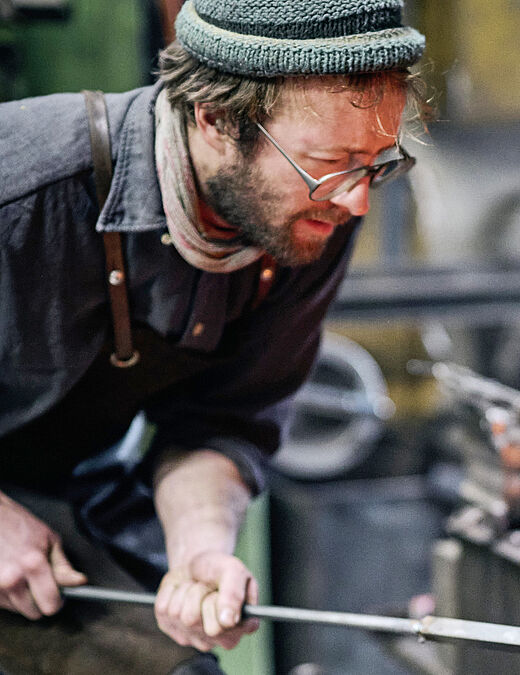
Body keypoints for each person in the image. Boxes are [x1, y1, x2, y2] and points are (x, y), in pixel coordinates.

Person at [0, 1, 424, 672]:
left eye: (376, 163)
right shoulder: (23, 190)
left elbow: (220, 420)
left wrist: (200, 545)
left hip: (62, 505)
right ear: (216, 118)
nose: (356, 202)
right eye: (330, 163)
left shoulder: (311, 215)